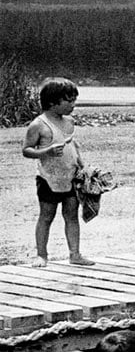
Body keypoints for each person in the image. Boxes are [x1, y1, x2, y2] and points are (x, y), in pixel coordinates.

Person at [22, 77, 94, 266]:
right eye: (69, 101)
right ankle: (42, 255)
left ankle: (75, 254)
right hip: (48, 178)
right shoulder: (39, 124)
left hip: (70, 176)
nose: (73, 105)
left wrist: (82, 165)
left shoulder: (69, 122)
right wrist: (47, 151)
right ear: (53, 103)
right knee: (46, 216)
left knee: (71, 215)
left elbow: (73, 145)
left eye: (74, 100)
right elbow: (27, 150)